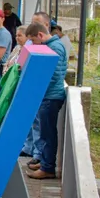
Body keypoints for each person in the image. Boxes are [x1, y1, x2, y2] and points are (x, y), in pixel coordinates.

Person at [25, 23, 68, 180]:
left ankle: (48, 167)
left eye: (33, 40)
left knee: (48, 133)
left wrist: (36, 85)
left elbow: (53, 75)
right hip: (48, 96)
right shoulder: (53, 46)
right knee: (44, 132)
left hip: (51, 97)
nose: (33, 44)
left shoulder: (54, 48)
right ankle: (45, 161)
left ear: (41, 35)